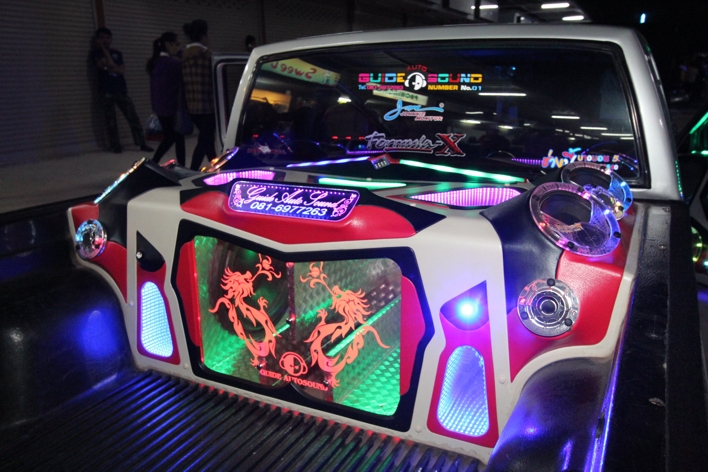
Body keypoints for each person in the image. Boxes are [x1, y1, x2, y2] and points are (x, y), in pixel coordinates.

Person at [92, 27, 153, 154]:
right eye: (102, 38)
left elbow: (120, 70)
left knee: (132, 117)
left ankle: (141, 143)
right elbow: (110, 65)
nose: (105, 40)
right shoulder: (95, 54)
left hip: (120, 89)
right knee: (110, 120)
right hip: (106, 91)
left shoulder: (117, 53)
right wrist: (104, 51)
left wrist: (110, 68)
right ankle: (115, 145)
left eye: (107, 38)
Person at [146, 32, 186, 165]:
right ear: (168, 44)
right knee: (174, 136)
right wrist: (180, 52)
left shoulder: (155, 62)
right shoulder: (173, 63)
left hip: (159, 106)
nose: (178, 47)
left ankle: (157, 161)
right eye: (177, 44)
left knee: (174, 136)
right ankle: (155, 162)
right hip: (172, 106)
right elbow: (185, 62)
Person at [182, 19, 216, 171]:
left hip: (192, 106)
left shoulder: (183, 56)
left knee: (207, 140)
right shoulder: (208, 55)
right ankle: (192, 171)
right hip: (208, 106)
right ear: (203, 35)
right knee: (204, 141)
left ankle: (216, 166)